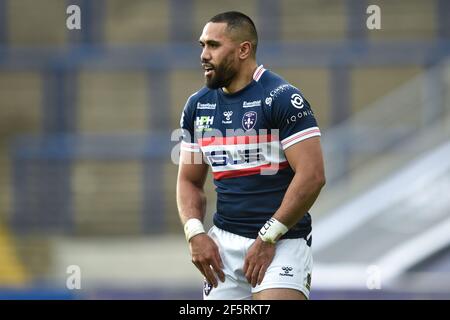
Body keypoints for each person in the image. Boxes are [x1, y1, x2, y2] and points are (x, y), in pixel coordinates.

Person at [176, 11, 325, 300]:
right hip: (224, 248)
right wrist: (195, 232)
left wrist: (268, 237)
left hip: (282, 240)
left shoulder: (282, 98)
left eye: (213, 46)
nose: (204, 55)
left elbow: (313, 176)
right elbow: (188, 181)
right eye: (202, 46)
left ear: (244, 49)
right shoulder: (197, 106)